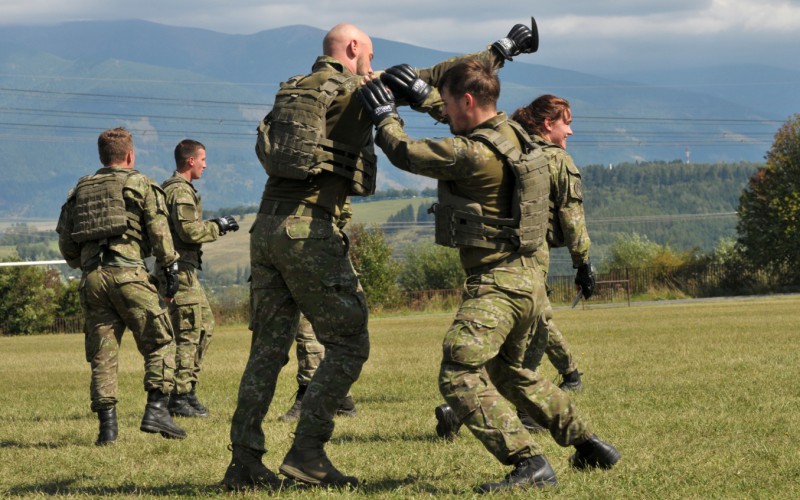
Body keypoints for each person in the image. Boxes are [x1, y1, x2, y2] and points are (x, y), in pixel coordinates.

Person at [222, 21, 536, 492]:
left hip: (265, 226)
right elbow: (442, 75)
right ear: (353, 49)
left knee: (267, 350)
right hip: (310, 226)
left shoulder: (294, 91)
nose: (377, 63)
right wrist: (501, 51)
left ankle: (244, 461)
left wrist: (498, 50)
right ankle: (307, 452)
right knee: (349, 343)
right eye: (370, 54)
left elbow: (428, 74)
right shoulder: (357, 88)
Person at [358, 58, 619, 492]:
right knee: (513, 373)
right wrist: (427, 99)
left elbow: (408, 153)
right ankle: (589, 444)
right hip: (529, 282)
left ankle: (527, 460)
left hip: (497, 284)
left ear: (466, 100)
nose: (445, 112)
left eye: (447, 103)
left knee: (458, 372)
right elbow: (467, 125)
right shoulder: (518, 137)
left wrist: (386, 117)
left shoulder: (474, 154)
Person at [435, 95, 593, 437]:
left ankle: (461, 410)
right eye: (566, 122)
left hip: (492, 254)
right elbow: (571, 215)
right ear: (548, 124)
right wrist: (583, 263)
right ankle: (510, 412)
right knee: (529, 338)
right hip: (531, 258)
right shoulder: (555, 160)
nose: (571, 130)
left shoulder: (509, 148)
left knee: (511, 339)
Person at [56, 127, 187, 445]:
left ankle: (107, 431)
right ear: (130, 155)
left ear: (102, 156)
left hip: (92, 280)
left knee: (103, 355)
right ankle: (156, 409)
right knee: (160, 343)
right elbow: (159, 232)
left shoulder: (80, 190)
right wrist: (170, 270)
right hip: (129, 276)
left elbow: (67, 246)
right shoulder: (140, 183)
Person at [161, 139, 240, 418]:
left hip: (187, 271)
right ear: (190, 161)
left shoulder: (179, 189)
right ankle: (178, 396)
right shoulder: (180, 192)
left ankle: (188, 390)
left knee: (204, 326)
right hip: (179, 271)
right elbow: (190, 233)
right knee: (189, 331)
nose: (206, 165)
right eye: (203, 159)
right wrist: (218, 226)